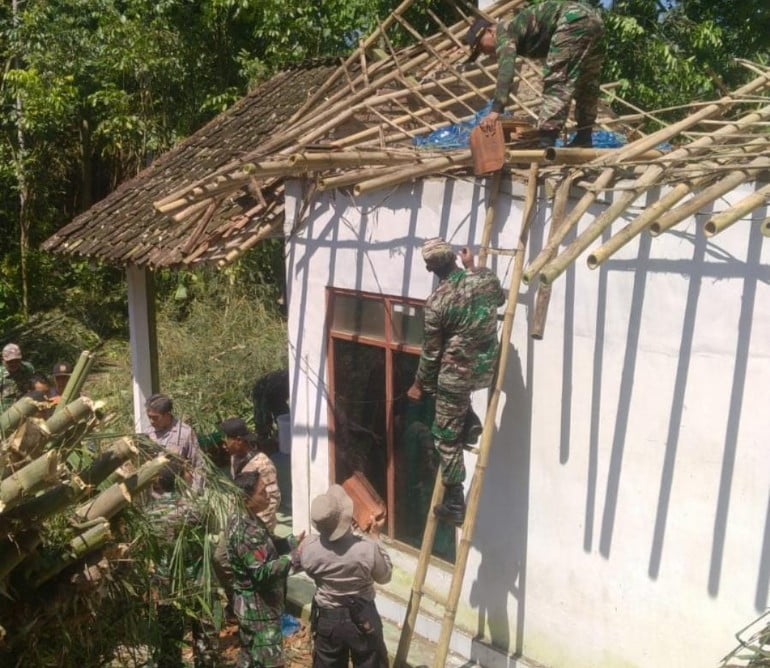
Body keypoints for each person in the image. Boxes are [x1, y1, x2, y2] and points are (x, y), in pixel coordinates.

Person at [407, 238, 505, 525]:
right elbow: (499, 300)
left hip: (456, 376)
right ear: (454, 257)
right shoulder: (485, 278)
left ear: (430, 268)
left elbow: (432, 353)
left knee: (445, 437)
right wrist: (472, 266)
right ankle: (470, 421)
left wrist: (418, 385)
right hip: (486, 369)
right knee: (449, 398)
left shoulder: (437, 302)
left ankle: (454, 501)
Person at [466, 1, 605, 148]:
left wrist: (495, 111)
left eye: (481, 46)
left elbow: (506, 71)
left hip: (572, 21)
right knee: (587, 82)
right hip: (594, 20)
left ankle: (546, 142)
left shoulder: (504, 32)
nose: (484, 52)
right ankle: (584, 137)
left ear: (490, 32)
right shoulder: (519, 29)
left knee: (557, 81)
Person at [301, 485, 391, 668]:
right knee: (370, 662)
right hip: (363, 617)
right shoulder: (367, 549)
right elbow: (385, 576)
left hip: (328, 620)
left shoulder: (309, 550)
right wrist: (374, 536)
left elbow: (314, 567)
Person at [227, 471, 304, 668]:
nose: (268, 495)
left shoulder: (249, 519)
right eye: (262, 492)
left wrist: (292, 542)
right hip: (259, 612)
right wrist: (295, 558)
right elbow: (262, 572)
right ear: (247, 498)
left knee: (249, 658)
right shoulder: (246, 530)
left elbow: (265, 549)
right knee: (269, 661)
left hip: (254, 609)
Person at [220, 417, 281, 531]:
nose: (224, 445)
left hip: (260, 524)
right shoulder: (234, 457)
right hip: (244, 519)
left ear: (238, 440)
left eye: (227, 440)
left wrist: (259, 527)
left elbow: (273, 498)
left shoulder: (262, 464)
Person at [145, 393, 205, 494]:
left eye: (155, 418)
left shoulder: (184, 433)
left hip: (179, 492)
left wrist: (195, 492)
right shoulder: (148, 433)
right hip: (155, 493)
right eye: (149, 417)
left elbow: (198, 463)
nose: (151, 421)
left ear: (167, 414)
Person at [0, 343, 35, 410]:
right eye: (10, 361)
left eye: (17, 361)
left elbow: (35, 388)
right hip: (6, 416)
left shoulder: (28, 369)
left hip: (26, 410)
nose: (14, 364)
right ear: (3, 360)